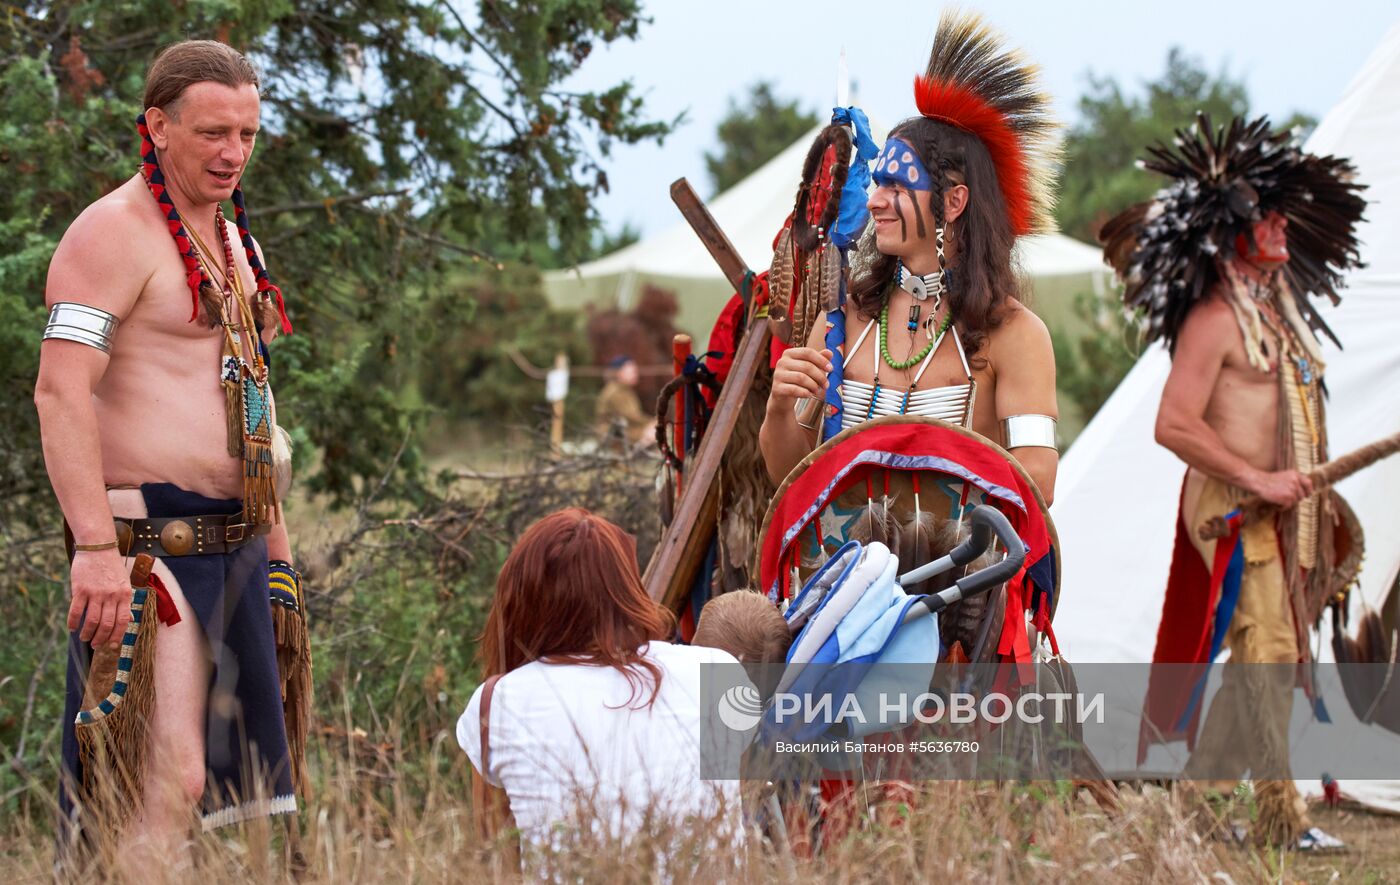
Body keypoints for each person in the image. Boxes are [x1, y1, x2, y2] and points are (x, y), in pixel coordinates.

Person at [34, 40, 307, 858]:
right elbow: (60, 391)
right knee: (166, 780)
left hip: (238, 540)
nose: (233, 154)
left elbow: (252, 394)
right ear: (157, 125)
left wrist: (280, 554)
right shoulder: (110, 234)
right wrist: (91, 546)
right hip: (149, 546)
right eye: (213, 133)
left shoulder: (232, 240)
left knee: (243, 793)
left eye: (248, 135)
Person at [1101, 112, 1366, 850]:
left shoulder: (1275, 307)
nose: (1281, 223)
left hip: (1283, 506)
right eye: (1264, 212)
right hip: (1231, 504)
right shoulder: (1215, 319)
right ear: (1229, 228)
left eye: (1283, 211)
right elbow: (1173, 423)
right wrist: (1257, 477)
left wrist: (1300, 486)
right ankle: (1282, 815)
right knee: (1272, 646)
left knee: (1264, 648)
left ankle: (1205, 792)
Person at [759, 11, 1061, 505]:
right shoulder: (844, 321)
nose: (875, 200)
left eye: (897, 187)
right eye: (878, 183)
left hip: (959, 578)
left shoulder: (1016, 334)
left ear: (953, 202)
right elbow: (787, 475)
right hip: (842, 574)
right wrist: (778, 407)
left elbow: (1038, 483)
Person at [457, 508, 745, 856]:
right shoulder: (716, 670)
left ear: (520, 599)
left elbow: (497, 859)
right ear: (626, 587)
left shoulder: (498, 703)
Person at [595, 355, 651, 446]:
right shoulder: (615, 392)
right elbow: (631, 416)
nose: (636, 373)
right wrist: (651, 422)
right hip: (614, 434)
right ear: (619, 372)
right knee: (655, 432)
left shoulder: (625, 390)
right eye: (632, 371)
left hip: (623, 430)